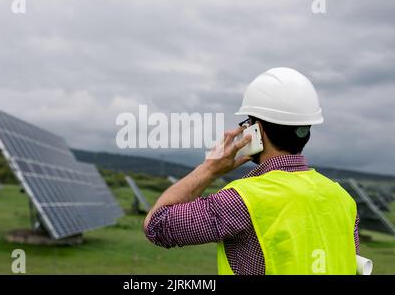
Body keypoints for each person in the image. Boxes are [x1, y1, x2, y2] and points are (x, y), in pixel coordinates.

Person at [143, 67, 359, 275]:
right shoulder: (343, 199)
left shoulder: (241, 201)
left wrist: (209, 169)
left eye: (247, 123)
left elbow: (156, 225)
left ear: (258, 130)